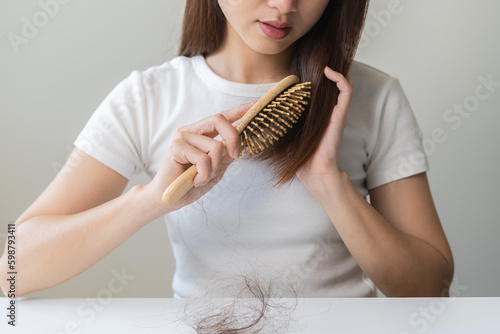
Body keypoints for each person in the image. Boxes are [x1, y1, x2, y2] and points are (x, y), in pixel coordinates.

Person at [0, 0, 453, 298]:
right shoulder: (150, 97)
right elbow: (11, 269)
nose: (284, 6)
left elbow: (429, 286)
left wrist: (329, 184)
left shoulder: (371, 96)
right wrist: (151, 198)